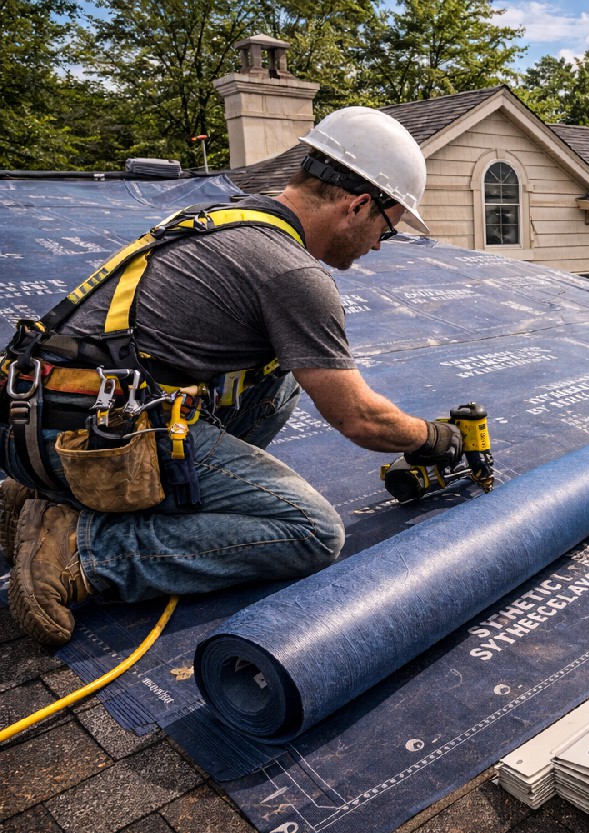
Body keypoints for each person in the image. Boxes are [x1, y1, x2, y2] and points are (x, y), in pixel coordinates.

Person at [0, 106, 464, 646]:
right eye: (387, 227)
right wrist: (434, 438)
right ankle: (83, 548)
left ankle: (46, 492)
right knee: (311, 532)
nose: (380, 244)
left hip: (27, 422)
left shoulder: (222, 220)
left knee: (283, 376)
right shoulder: (292, 272)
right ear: (358, 205)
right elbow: (358, 419)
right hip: (92, 439)